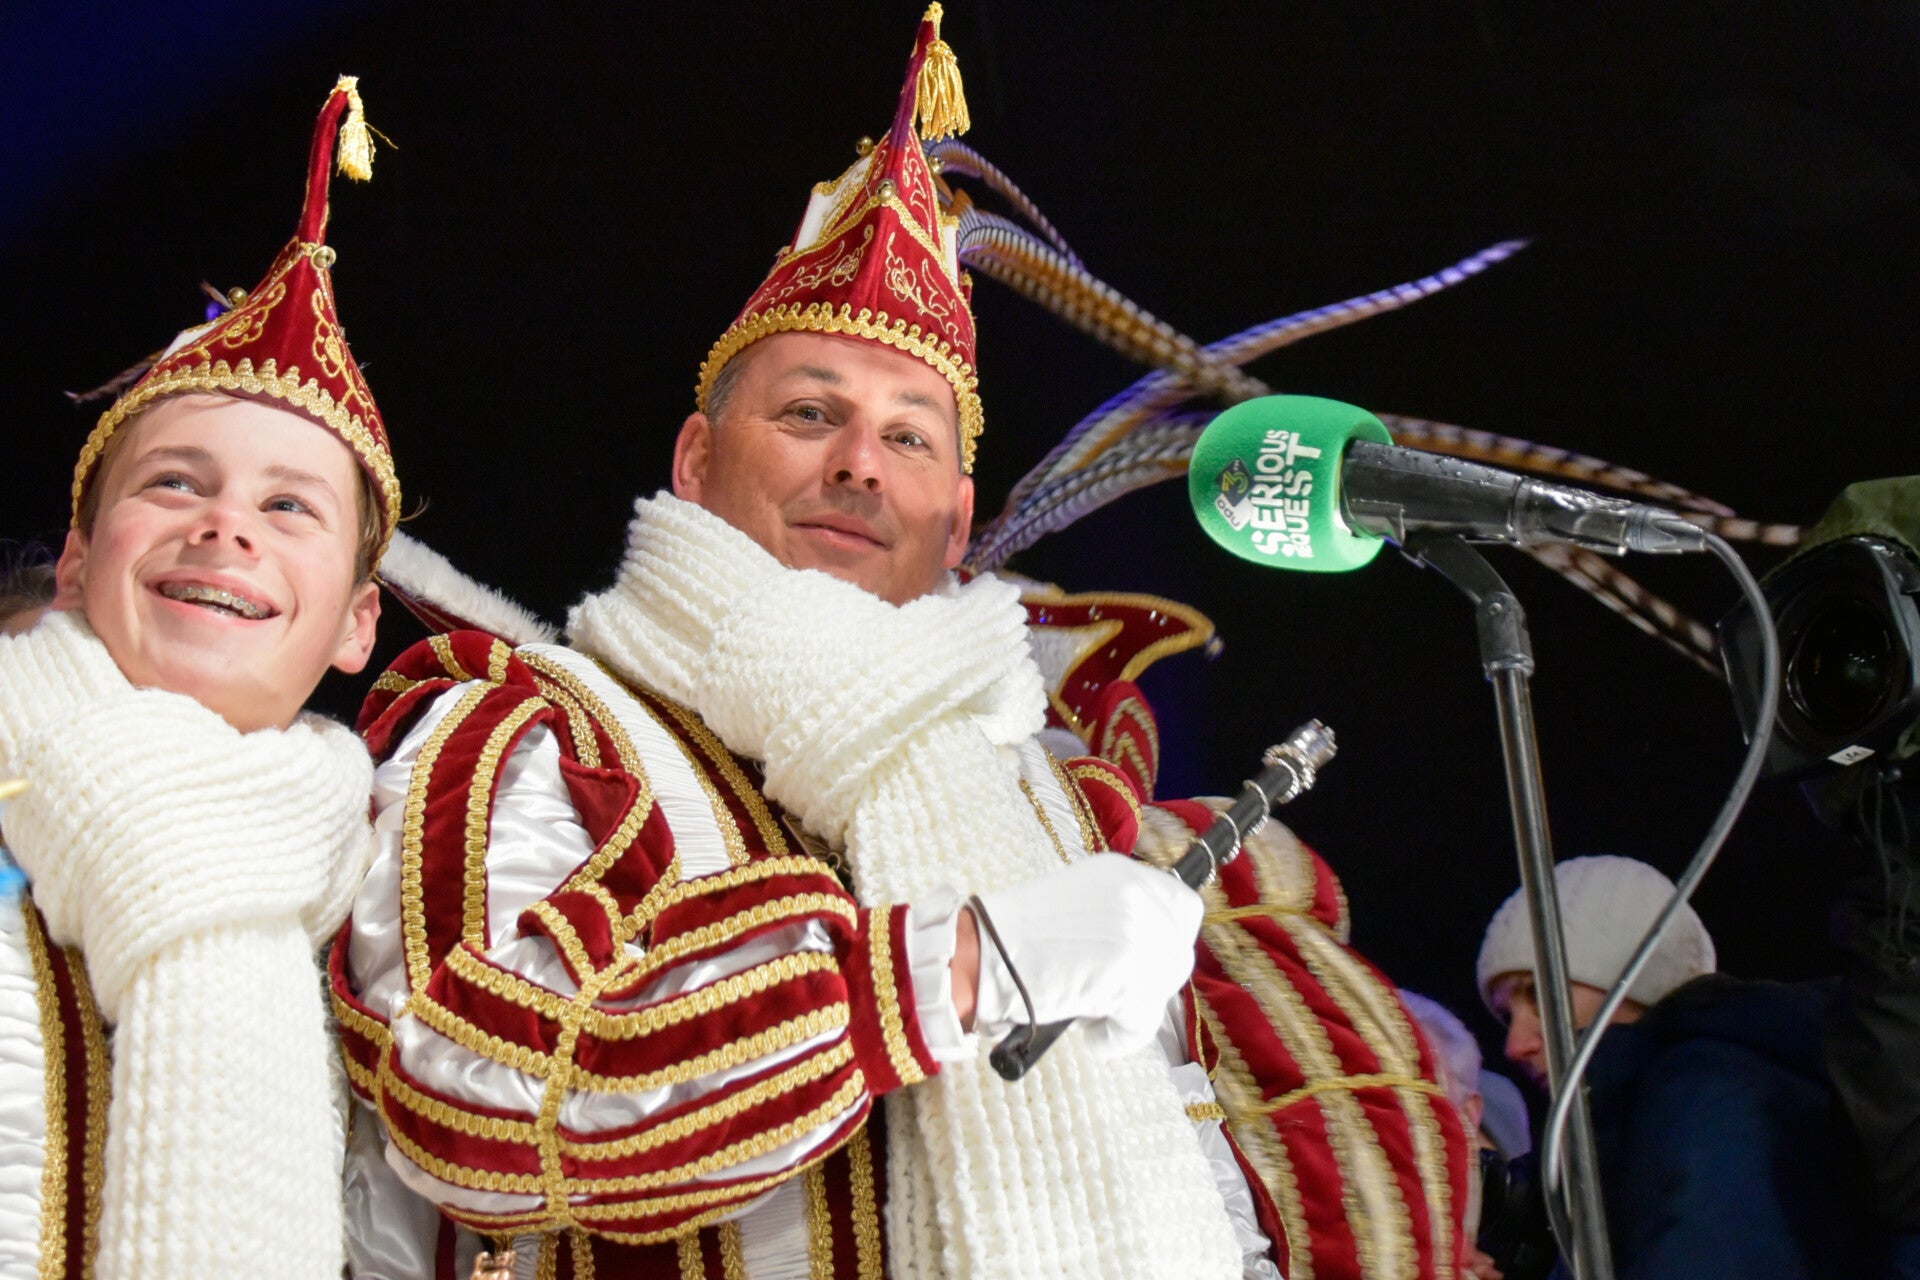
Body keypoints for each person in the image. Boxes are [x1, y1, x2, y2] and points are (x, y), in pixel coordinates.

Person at [335, 11, 1471, 1277]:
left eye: (910, 436)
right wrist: (961, 967)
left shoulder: (1043, 794)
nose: (860, 464)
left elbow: (1191, 1166)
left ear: (958, 520)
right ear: (697, 461)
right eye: (808, 413)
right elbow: (483, 1088)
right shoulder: (545, 729)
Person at [0, 77, 399, 1280]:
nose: (226, 527)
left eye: (290, 507)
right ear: (79, 561)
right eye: (176, 481)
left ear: (357, 623)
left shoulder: (380, 909)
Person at [1477, 854, 1885, 1280]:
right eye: (1507, 1016)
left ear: (1628, 977)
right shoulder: (1625, 1131)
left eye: (1538, 995)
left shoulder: (1712, 1102)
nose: (1514, 1046)